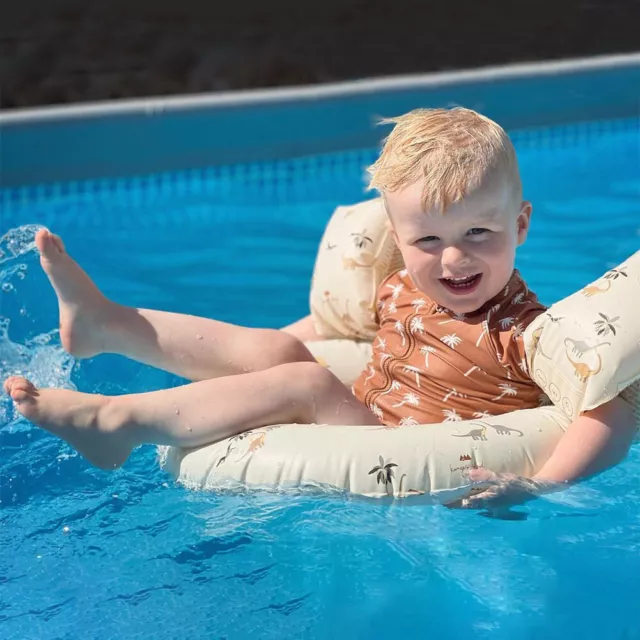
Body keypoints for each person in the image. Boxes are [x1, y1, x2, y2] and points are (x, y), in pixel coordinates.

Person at [4, 107, 634, 508]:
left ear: (520, 225)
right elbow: (327, 331)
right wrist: (252, 365)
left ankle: (118, 426)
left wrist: (540, 486)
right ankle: (106, 324)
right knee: (281, 351)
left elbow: (608, 416)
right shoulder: (400, 286)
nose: (453, 261)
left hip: (404, 447)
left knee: (302, 380)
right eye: (428, 240)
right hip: (369, 411)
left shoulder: (522, 331)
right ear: (396, 235)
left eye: (480, 234)